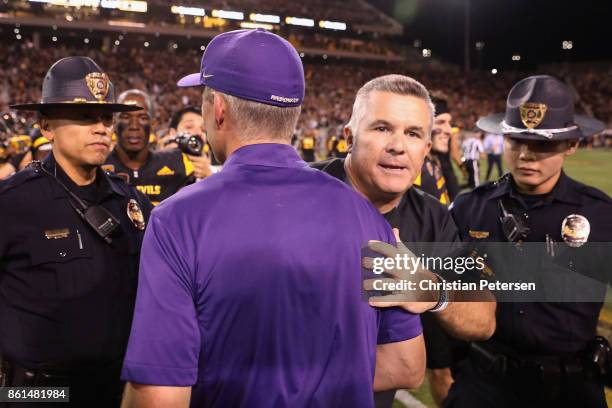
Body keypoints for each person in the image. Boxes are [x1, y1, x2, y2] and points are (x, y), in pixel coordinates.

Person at [120, 29, 425, 408]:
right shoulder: (370, 219)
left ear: (218, 109)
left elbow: (159, 396)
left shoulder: (177, 220)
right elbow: (405, 365)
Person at [311, 74, 496, 407]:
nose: (398, 145)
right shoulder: (297, 190)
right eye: (382, 128)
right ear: (349, 137)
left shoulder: (434, 218)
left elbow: (483, 318)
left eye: (412, 134)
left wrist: (432, 291)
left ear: (426, 149)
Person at [446, 75, 612, 407]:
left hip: (570, 390)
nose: (526, 155)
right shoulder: (469, 208)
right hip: (484, 384)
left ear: (571, 145)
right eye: (517, 141)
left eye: (542, 144)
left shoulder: (601, 215)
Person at [0, 56, 152, 407]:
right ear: (45, 125)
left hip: (115, 389)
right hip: (36, 394)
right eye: (85, 117)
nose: (102, 128)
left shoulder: (130, 204)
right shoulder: (12, 203)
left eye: (106, 118)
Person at [104, 90, 200, 205]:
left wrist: (206, 175)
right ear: (114, 123)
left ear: (153, 124)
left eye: (143, 118)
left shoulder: (177, 163)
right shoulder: (99, 168)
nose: (134, 126)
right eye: (125, 117)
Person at [159, 105, 220, 170]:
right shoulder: (158, 161)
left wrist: (209, 175)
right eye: (189, 127)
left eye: (203, 130)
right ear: (173, 133)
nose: (198, 133)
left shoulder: (220, 171)